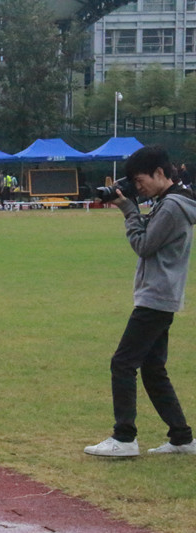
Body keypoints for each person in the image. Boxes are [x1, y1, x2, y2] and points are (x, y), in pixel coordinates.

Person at [85, 146, 196, 457]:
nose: (138, 187)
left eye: (139, 180)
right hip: (162, 294)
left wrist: (128, 211)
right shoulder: (175, 201)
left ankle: (124, 438)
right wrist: (132, 207)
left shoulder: (172, 206)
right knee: (152, 368)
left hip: (156, 296)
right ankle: (182, 438)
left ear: (159, 173)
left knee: (122, 363)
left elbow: (143, 245)